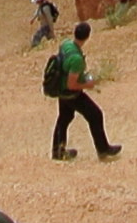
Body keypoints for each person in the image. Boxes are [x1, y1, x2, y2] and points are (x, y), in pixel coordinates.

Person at [44, 21, 119, 160]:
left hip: (61, 89)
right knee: (95, 115)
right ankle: (103, 149)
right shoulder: (77, 59)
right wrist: (87, 85)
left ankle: (58, 152)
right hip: (70, 93)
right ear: (87, 36)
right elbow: (72, 84)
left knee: (64, 118)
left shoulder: (66, 44)